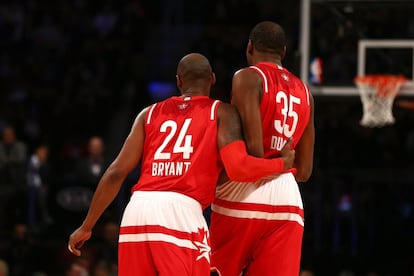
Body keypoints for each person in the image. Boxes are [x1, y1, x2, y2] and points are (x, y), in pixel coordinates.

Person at [68, 53, 295, 276]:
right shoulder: (221, 112)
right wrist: (281, 164)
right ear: (213, 79)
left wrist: (87, 226)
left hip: (136, 211)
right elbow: (239, 168)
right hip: (181, 212)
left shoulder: (148, 114)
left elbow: (116, 172)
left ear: (178, 81)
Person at [210, 21, 315, 276]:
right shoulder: (306, 91)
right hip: (287, 201)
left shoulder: (247, 76)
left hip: (244, 192)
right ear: (284, 52)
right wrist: (283, 161)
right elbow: (304, 171)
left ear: (250, 47)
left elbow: (255, 151)